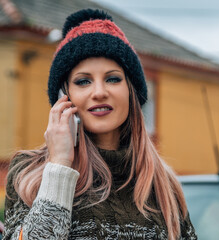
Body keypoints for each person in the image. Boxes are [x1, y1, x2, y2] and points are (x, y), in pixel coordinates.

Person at [3, 9, 197, 240]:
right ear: (63, 97)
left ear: (131, 92)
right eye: (83, 81)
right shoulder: (28, 174)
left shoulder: (163, 185)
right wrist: (59, 167)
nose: (99, 92)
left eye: (113, 79)